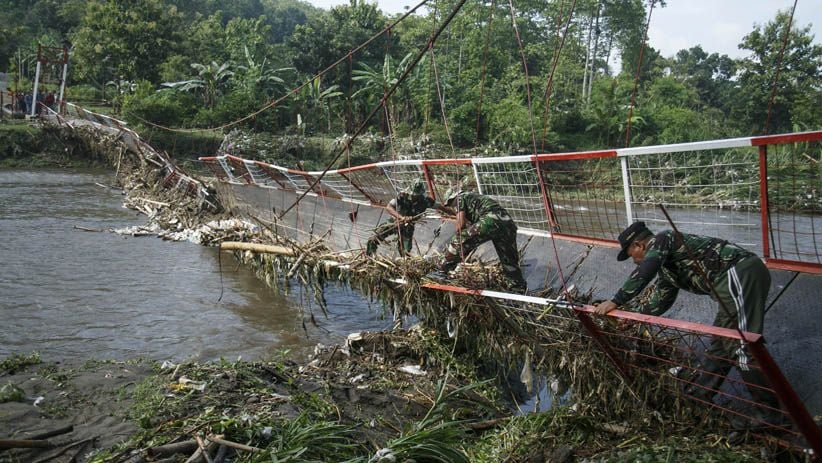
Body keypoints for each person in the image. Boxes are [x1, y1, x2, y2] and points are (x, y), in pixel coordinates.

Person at [594, 221, 781, 423]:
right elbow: (661, 300)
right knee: (720, 345)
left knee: (742, 346)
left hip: (739, 273)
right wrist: (633, 317)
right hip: (730, 284)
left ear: (639, 245)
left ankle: (770, 415)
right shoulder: (667, 269)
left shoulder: (663, 239)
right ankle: (701, 397)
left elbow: (646, 270)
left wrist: (616, 300)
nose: (635, 261)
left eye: (632, 255)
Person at [433, 188, 527, 292]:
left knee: (459, 239)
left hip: (490, 220)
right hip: (508, 223)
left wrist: (461, 240)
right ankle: (517, 287)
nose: (452, 207)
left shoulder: (459, 199)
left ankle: (442, 269)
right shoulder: (474, 198)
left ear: (452, 198)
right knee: (508, 259)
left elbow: (461, 225)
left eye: (451, 204)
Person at [366, 180, 443, 257]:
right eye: (413, 194)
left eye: (416, 195)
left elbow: (441, 207)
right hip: (394, 222)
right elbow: (389, 207)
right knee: (373, 239)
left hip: (408, 228)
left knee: (405, 251)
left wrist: (454, 214)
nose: (413, 196)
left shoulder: (426, 201)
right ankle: (371, 258)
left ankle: (404, 263)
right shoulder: (402, 196)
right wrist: (401, 217)